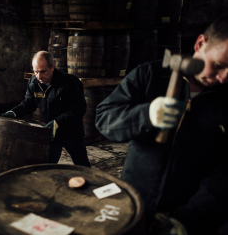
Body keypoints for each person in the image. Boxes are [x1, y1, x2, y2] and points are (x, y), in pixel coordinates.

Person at [95, 16, 228, 235]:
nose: (223, 78)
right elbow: (104, 118)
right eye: (218, 65)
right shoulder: (149, 75)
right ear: (200, 44)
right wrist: (146, 115)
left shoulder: (224, 100)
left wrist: (187, 221)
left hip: (187, 214)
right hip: (134, 201)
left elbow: (224, 174)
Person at [1, 51, 91, 167]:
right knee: (46, 166)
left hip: (72, 131)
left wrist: (58, 122)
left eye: (43, 71)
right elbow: (29, 104)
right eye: (35, 72)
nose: (39, 76)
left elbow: (79, 109)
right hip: (50, 132)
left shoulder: (70, 82)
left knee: (82, 165)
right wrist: (13, 112)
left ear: (52, 67)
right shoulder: (33, 82)